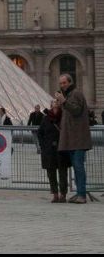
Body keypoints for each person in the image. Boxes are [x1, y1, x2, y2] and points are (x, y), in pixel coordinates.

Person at [54, 73, 92, 204]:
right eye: (60, 83)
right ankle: (79, 193)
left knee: (78, 166)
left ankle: (82, 195)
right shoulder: (69, 95)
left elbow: (76, 111)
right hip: (72, 138)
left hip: (78, 138)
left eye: (64, 83)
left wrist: (64, 101)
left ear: (70, 82)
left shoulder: (76, 94)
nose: (62, 85)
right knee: (76, 167)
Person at [37, 102, 71, 203]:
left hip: (62, 149)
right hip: (49, 150)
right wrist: (43, 146)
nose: (55, 108)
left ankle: (63, 194)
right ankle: (55, 194)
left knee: (62, 173)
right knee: (51, 173)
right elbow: (40, 133)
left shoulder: (64, 117)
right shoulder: (46, 118)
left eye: (57, 106)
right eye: (53, 106)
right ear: (51, 107)